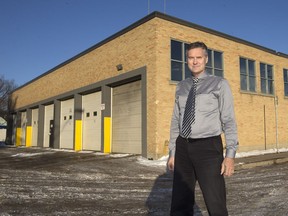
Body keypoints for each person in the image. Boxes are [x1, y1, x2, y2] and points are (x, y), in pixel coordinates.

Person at [167, 41, 238, 216]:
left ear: (206, 59)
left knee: (216, 203)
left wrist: (230, 155)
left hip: (208, 148)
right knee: (180, 203)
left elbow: (228, 120)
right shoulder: (181, 86)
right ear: (187, 60)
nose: (195, 61)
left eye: (199, 57)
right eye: (191, 58)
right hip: (183, 147)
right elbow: (176, 120)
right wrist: (173, 152)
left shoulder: (219, 84)